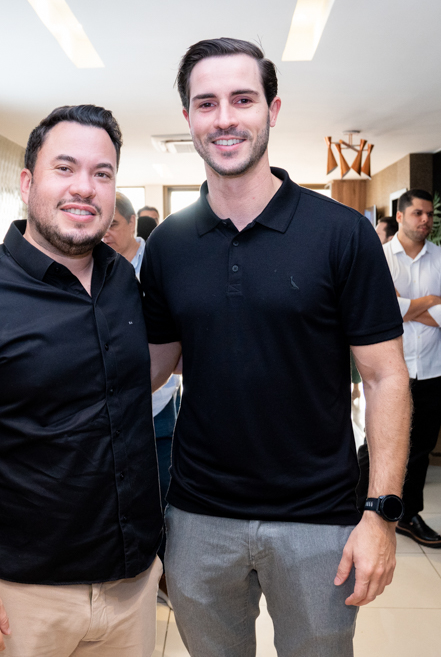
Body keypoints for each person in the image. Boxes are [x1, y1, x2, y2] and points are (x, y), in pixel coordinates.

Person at [143, 38, 411, 655]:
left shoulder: (341, 233)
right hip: (199, 515)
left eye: (243, 99)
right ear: (188, 117)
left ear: (273, 109)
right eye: (206, 103)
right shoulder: (169, 245)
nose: (224, 118)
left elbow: (385, 377)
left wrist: (381, 514)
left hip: (318, 518)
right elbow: (152, 366)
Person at [0, 105, 163, 657]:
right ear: (27, 183)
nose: (84, 187)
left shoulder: (122, 281)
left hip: (131, 583)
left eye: (101, 173)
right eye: (64, 168)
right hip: (21, 595)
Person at [103, 192, 182, 601]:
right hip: (111, 405)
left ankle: (167, 574)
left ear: (133, 222)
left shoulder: (159, 262)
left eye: (114, 225)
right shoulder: (97, 267)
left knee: (164, 488)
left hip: (159, 400)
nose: (106, 234)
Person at [384, 189, 441, 548]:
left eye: (430, 214)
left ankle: (408, 515)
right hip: (390, 367)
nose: (426, 220)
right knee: (379, 442)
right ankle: (357, 508)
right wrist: (429, 301)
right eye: (418, 213)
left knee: (421, 447)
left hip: (434, 369)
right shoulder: (379, 258)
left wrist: (405, 307)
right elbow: (380, 309)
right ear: (400, 216)